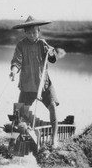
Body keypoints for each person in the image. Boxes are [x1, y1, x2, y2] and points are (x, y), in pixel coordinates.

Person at [9, 15, 60, 148]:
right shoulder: (21, 45)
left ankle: (54, 140)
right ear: (25, 32)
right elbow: (16, 61)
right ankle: (16, 140)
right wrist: (14, 71)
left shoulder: (42, 43)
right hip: (27, 85)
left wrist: (51, 53)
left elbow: (53, 58)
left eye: (34, 32)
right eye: (29, 32)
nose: (32, 35)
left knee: (53, 107)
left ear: (38, 31)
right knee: (18, 113)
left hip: (43, 85)